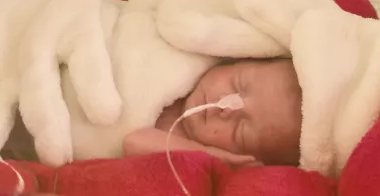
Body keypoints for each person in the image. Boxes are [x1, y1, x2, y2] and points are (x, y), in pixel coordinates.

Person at [122, 59, 302, 168]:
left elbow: (134, 143)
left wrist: (208, 155)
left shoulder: (184, 143)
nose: (226, 106)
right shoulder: (194, 58)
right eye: (238, 85)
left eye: (240, 131)